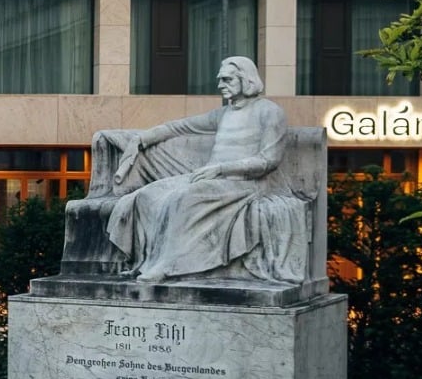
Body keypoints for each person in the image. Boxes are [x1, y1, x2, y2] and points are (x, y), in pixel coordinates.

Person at [90, 56, 311, 285]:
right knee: (146, 196)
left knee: (184, 198)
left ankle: (167, 266)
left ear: (246, 79)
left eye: (226, 79)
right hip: (212, 177)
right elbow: (178, 126)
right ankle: (144, 262)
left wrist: (221, 169)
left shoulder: (270, 112)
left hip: (245, 183)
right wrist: (142, 139)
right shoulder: (223, 114)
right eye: (220, 79)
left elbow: (268, 161)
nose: (220, 85)